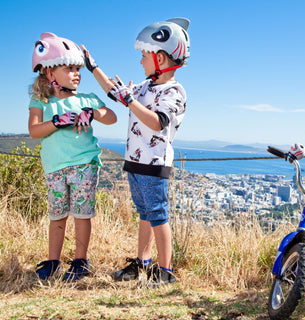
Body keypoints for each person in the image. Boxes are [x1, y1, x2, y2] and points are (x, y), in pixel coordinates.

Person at [82, 17, 190, 286]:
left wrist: (130, 100)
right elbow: (113, 91)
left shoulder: (174, 91)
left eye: (145, 55)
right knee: (145, 214)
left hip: (154, 165)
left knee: (158, 215)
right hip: (135, 162)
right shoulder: (144, 87)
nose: (141, 61)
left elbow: (157, 122)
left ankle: (165, 271)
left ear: (161, 59)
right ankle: (142, 263)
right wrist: (93, 68)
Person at [28, 32, 117, 282]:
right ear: (50, 73)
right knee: (56, 215)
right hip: (54, 167)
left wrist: (93, 113)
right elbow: (34, 130)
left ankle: (80, 260)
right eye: (70, 68)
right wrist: (57, 121)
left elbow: (111, 117)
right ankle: (53, 261)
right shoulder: (41, 100)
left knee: (81, 213)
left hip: (84, 165)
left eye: (78, 69)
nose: (77, 73)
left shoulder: (87, 99)